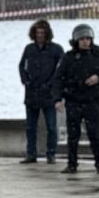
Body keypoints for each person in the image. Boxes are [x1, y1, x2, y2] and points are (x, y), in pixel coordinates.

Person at [54, 22, 99, 174]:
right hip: (73, 101)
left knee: (96, 135)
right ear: (76, 40)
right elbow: (58, 79)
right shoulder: (68, 58)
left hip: (92, 101)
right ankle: (72, 164)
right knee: (73, 136)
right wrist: (57, 99)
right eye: (82, 39)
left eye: (88, 39)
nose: (85, 42)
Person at [19, 18, 65, 164]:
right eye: (37, 32)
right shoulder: (29, 49)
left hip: (49, 94)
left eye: (42, 33)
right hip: (32, 93)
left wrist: (51, 84)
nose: (40, 35)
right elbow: (21, 66)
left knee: (51, 127)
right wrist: (26, 81)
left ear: (47, 34)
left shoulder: (56, 49)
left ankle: (51, 154)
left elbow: (61, 69)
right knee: (30, 127)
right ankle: (31, 154)